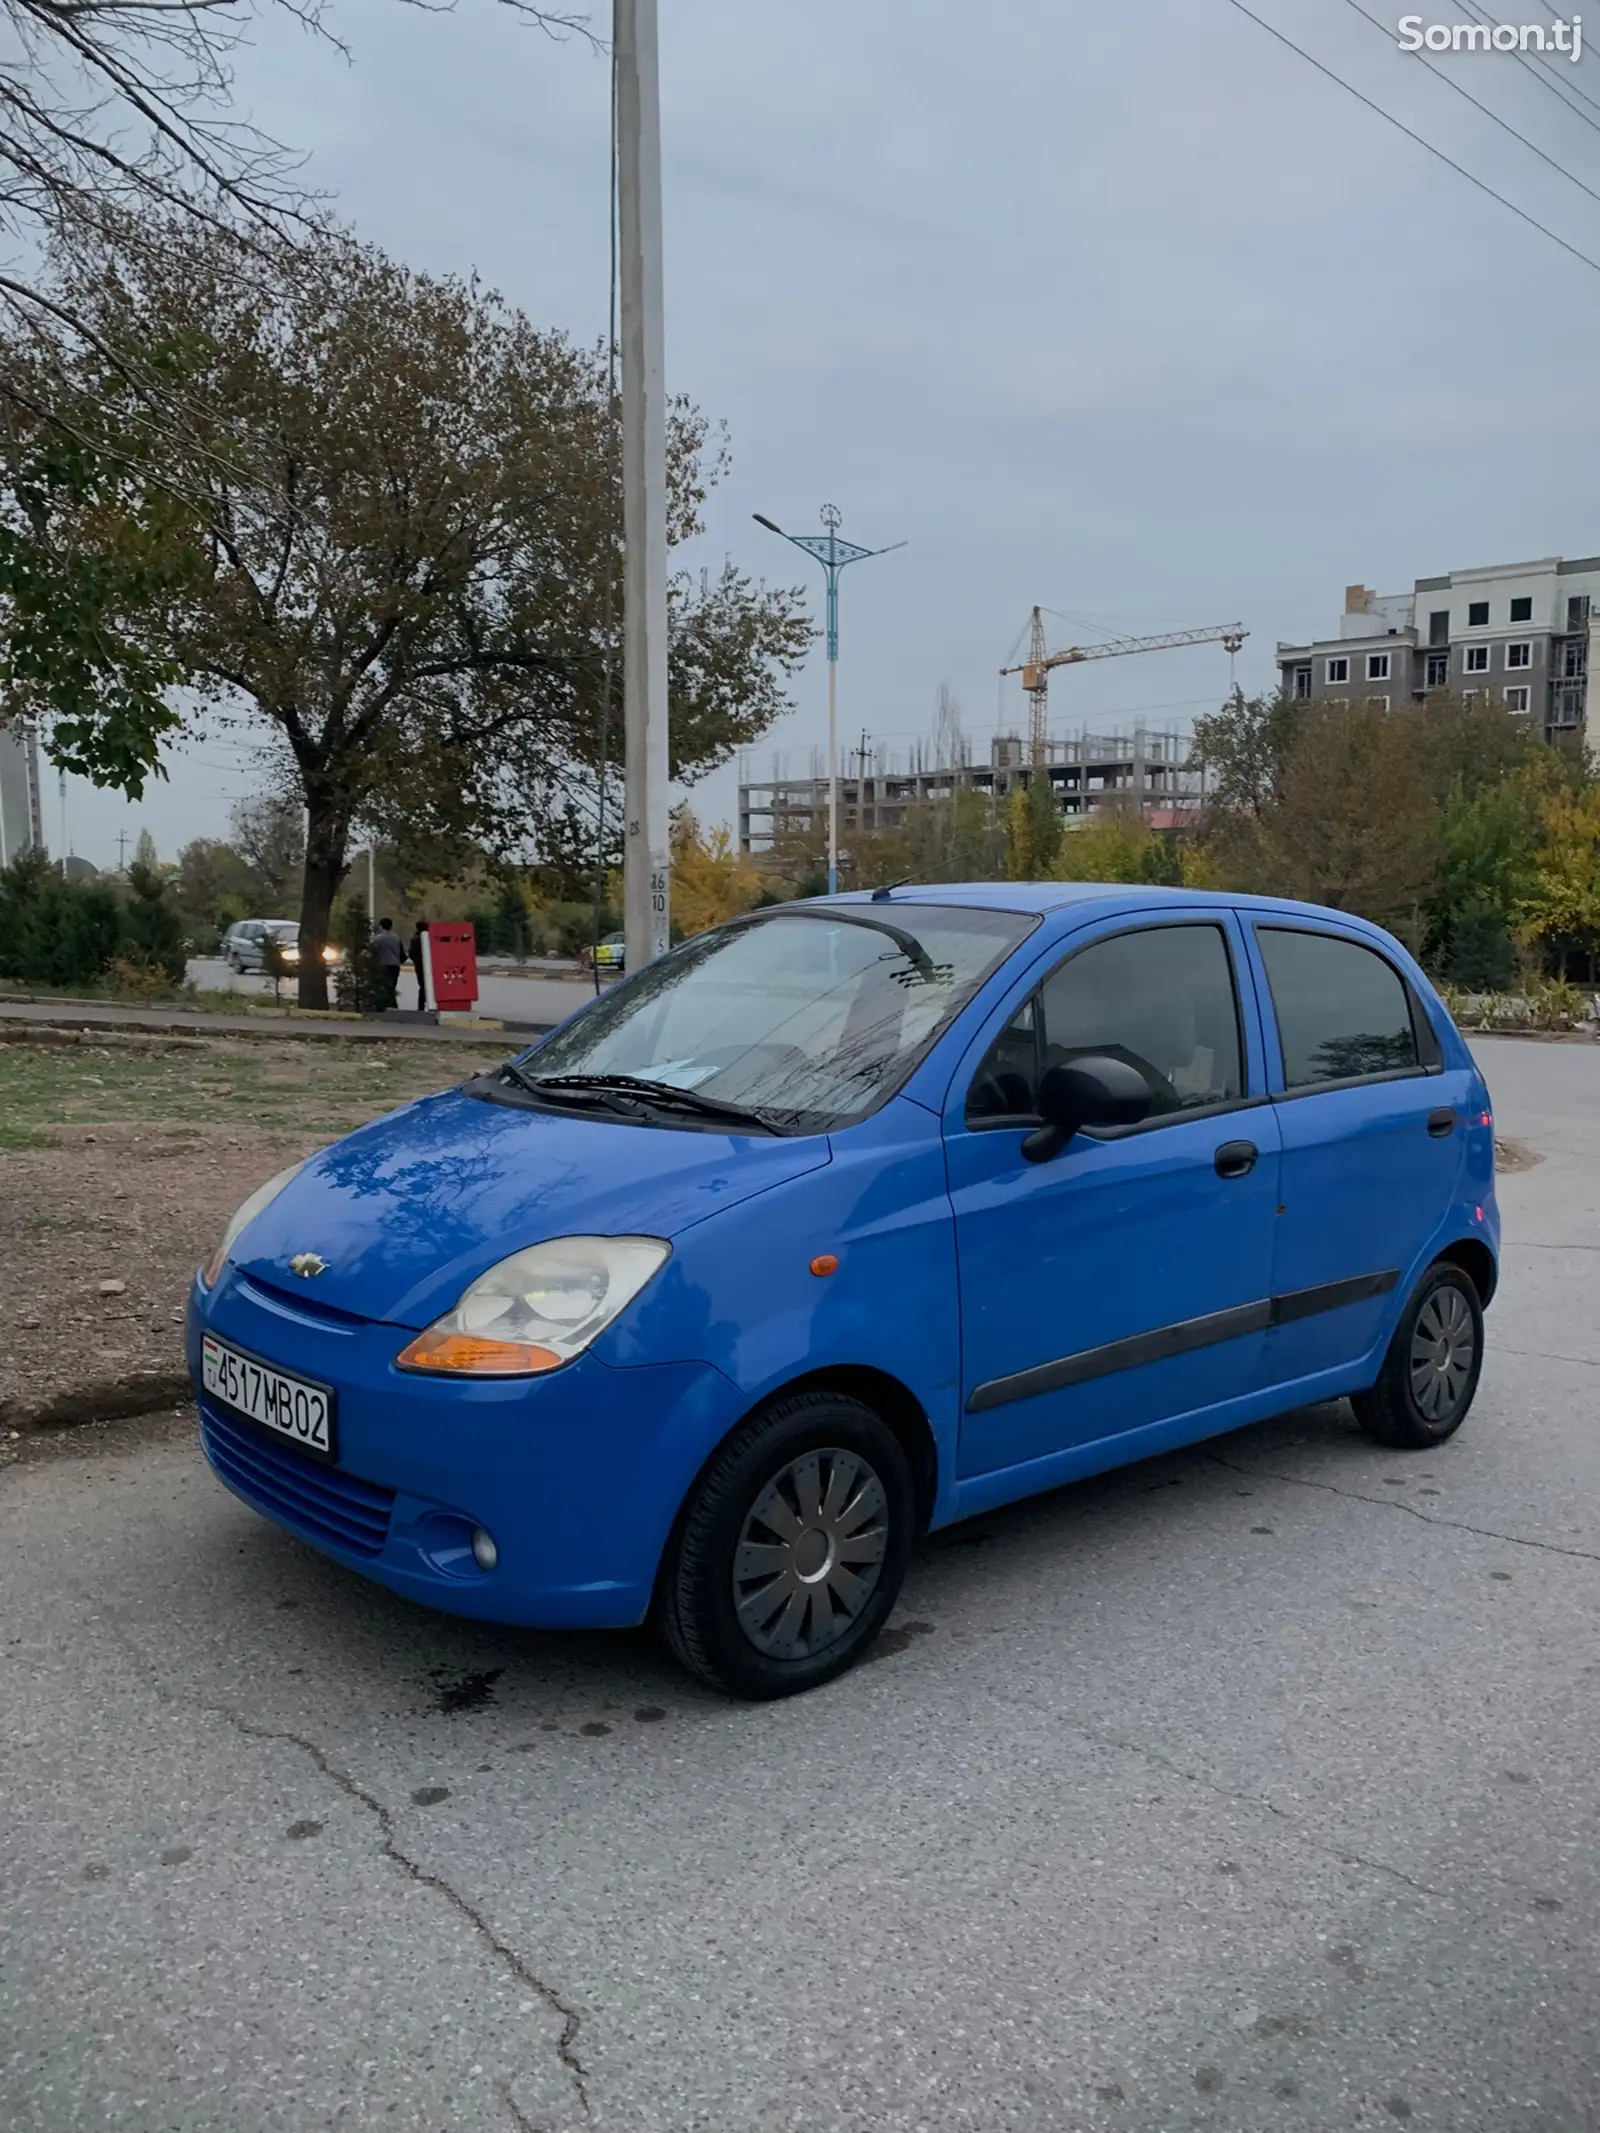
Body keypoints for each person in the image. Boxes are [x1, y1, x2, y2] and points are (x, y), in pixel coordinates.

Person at [371, 916, 405, 1010]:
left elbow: (372, 950)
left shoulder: (378, 938)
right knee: (392, 986)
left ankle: (387, 1005)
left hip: (384, 964)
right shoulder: (396, 937)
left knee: (385, 986)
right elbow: (402, 952)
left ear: (381, 926)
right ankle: (392, 1005)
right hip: (395, 965)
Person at [408, 918, 430, 1012]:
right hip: (427, 965)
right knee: (428, 985)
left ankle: (421, 1006)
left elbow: (411, 953)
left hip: (419, 965)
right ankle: (428, 1004)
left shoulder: (414, 938)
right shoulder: (429, 938)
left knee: (422, 986)